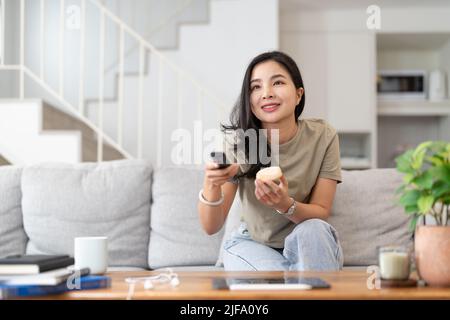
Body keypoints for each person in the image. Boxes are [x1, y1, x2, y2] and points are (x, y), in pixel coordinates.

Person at [197, 51, 343, 271]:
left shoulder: (324, 136)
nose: (266, 93)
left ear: (298, 94)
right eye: (256, 87)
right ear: (250, 100)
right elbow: (211, 226)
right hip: (253, 243)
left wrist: (284, 205)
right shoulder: (239, 144)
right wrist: (212, 184)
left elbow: (321, 211)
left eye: (277, 82)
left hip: (306, 239)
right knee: (279, 277)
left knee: (315, 229)